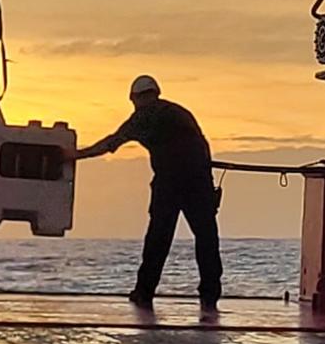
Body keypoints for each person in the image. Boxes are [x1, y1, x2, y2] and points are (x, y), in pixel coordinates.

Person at [69, 75, 222, 314]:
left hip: (170, 182)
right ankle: (210, 294)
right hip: (198, 180)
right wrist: (208, 183)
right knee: (207, 237)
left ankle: (144, 292)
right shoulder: (180, 112)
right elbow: (202, 145)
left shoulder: (142, 117)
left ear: (134, 98)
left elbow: (111, 143)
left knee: (158, 239)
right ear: (156, 92)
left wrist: (76, 155)